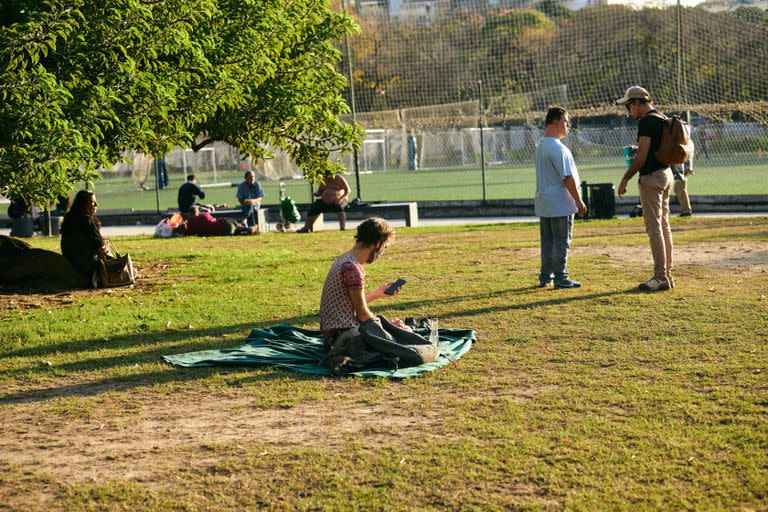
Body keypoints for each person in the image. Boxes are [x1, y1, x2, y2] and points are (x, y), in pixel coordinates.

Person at [616, 86, 675, 292]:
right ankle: (667, 274)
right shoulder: (660, 116)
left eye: (628, 106)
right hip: (666, 175)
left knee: (654, 229)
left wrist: (625, 178)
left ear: (638, 102)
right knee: (664, 227)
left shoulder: (646, 122)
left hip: (651, 178)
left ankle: (660, 277)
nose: (628, 111)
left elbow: (641, 158)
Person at [319, 217, 403, 349]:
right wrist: (386, 326)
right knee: (401, 336)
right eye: (384, 247)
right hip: (344, 338)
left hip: (334, 335)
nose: (382, 252)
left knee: (394, 328)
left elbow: (347, 304)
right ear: (377, 243)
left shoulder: (344, 259)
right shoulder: (352, 268)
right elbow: (362, 314)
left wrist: (376, 294)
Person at [534, 106, 587, 289]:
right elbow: (567, 178)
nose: (568, 126)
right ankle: (561, 277)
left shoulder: (541, 145)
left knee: (547, 241)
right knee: (562, 240)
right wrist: (579, 201)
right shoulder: (558, 148)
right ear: (555, 123)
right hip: (560, 203)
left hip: (545, 202)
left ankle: (545, 275)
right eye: (565, 122)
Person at [60, 190, 109, 288]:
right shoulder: (87, 221)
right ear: (83, 204)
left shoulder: (69, 218)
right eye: (92, 202)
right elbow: (101, 249)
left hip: (70, 262)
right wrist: (106, 246)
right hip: (86, 266)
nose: (96, 204)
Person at [184, 205, 258, 236]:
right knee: (233, 226)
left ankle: (245, 231)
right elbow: (214, 220)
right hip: (225, 226)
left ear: (190, 214)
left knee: (232, 232)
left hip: (217, 233)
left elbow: (189, 232)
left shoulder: (190, 222)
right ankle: (248, 229)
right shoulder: (204, 215)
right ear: (197, 212)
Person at [672, 148, 694, 217]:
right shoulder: (686, 140)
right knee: (677, 189)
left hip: (682, 168)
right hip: (682, 168)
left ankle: (687, 211)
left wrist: (687, 168)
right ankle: (686, 210)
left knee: (680, 188)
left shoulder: (684, 141)